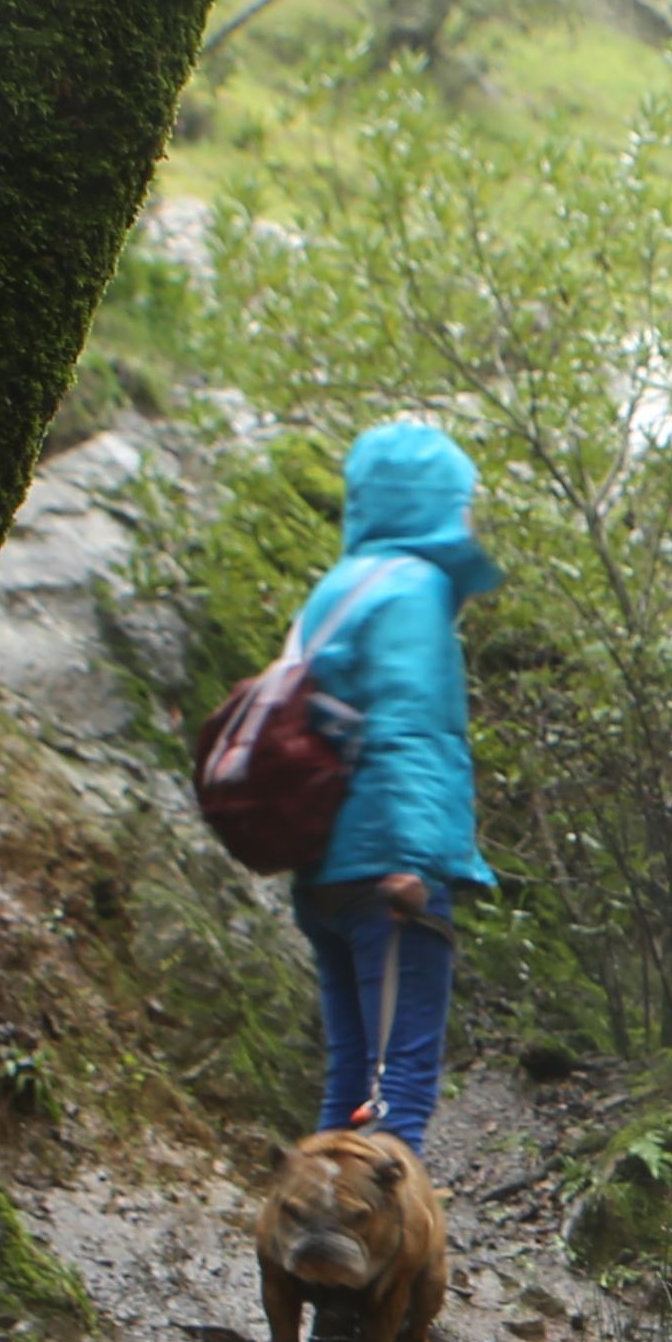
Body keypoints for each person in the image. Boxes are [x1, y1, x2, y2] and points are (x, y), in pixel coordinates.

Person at [286, 418, 501, 1153]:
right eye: (463, 498)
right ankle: (378, 1263)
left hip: (324, 873)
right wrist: (409, 862)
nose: (470, 513)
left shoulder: (340, 588)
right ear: (431, 501)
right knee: (400, 1093)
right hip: (389, 875)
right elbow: (408, 727)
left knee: (351, 1083)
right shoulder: (415, 589)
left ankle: (312, 1250)